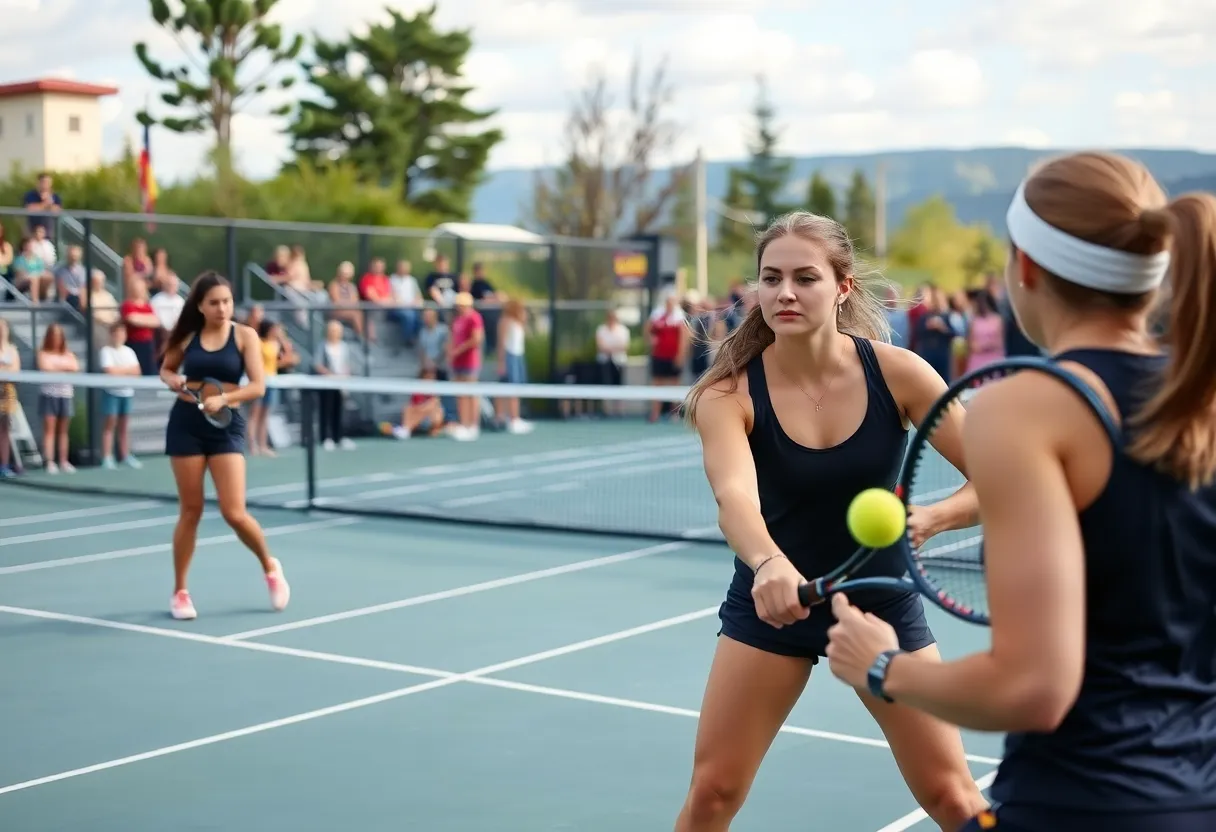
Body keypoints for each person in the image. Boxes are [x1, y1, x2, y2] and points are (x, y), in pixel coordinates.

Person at [824, 151, 1216, 831]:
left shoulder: (1025, 410)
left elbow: (1034, 689)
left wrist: (882, 667)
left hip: (1083, 806)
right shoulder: (1200, 398)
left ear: (1025, 267)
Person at [676, 211, 988, 832]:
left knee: (953, 798)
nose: (785, 292)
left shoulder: (900, 373)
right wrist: (768, 563)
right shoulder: (728, 394)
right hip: (771, 605)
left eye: (805, 277)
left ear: (842, 286)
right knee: (713, 793)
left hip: (881, 603)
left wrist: (932, 516)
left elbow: (1001, 481)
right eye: (771, 278)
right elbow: (734, 497)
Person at [158, 271, 290, 621]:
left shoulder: (245, 335)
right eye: (214, 302)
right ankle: (180, 592)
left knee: (234, 512)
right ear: (200, 306)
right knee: (191, 511)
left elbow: (258, 387)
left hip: (226, 426)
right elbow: (166, 369)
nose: (222, 308)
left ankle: (270, 567)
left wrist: (225, 399)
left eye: (227, 301)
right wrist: (173, 379)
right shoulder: (187, 336)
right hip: (186, 425)